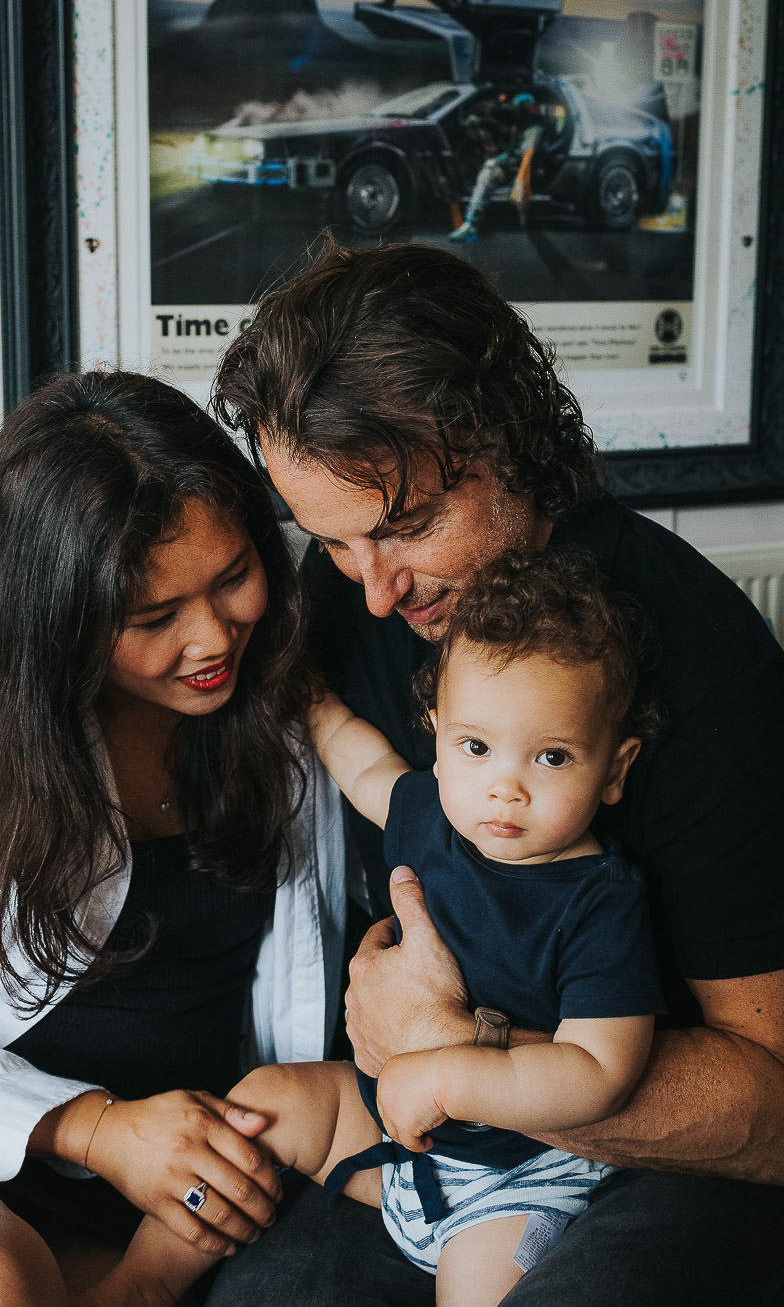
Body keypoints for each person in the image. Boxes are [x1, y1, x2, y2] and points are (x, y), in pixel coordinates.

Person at [206, 240, 784, 1307]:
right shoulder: (354, 597)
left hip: (639, 1170)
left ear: (506, 442)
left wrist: (456, 1046)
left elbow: (772, 1106)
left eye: (407, 527)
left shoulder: (706, 667)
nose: (375, 592)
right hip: (419, 1136)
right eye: (332, 544)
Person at [0, 370, 346, 1307]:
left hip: (179, 1180)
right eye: (154, 618)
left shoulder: (282, 717)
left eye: (234, 577)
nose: (213, 639)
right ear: (60, 620)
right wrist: (95, 1128)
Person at [107, 547, 665, 1307]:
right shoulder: (434, 810)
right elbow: (359, 762)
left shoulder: (599, 898)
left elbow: (602, 1071)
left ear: (614, 769)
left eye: (553, 757)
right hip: (391, 1137)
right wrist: (308, 700)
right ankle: (137, 1286)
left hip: (520, 1175)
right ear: (437, 737)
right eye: (475, 747)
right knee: (263, 1105)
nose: (505, 787)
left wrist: (443, 1070)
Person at [449, 93, 543, 242]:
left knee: (488, 173)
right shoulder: (517, 127)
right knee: (485, 166)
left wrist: (499, 163)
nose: (516, 113)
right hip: (514, 167)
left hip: (523, 172)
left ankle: (471, 223)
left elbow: (525, 156)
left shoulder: (534, 130)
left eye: (520, 109)